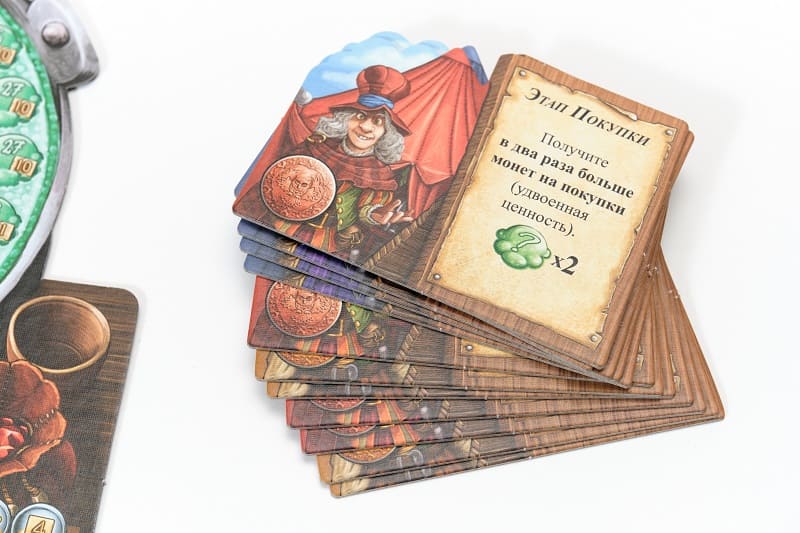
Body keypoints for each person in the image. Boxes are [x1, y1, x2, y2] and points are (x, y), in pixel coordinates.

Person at [273, 65, 414, 256]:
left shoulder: (379, 173)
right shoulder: (315, 146)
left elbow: (367, 208)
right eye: (360, 116)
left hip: (330, 245)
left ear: (386, 132)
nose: (366, 127)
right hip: (282, 225)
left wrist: (375, 214)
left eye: (378, 121)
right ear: (346, 119)